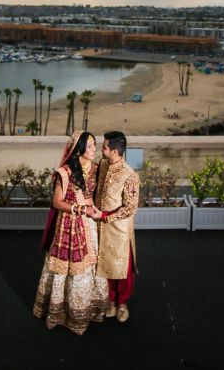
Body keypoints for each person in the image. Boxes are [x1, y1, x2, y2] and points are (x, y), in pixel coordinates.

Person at [32, 131, 109, 335]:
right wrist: (80, 209)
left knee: (90, 265)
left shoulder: (95, 168)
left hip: (89, 225)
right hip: (68, 223)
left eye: (95, 145)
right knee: (66, 269)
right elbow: (57, 202)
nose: (94, 149)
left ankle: (88, 310)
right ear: (79, 149)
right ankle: (62, 312)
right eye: (90, 145)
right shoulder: (64, 172)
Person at [94, 130, 139, 323]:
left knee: (122, 269)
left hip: (119, 229)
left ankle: (122, 303)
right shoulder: (103, 166)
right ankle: (110, 301)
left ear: (114, 151)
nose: (101, 149)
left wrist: (104, 216)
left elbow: (130, 208)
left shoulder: (130, 175)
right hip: (99, 225)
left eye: (104, 147)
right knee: (103, 265)